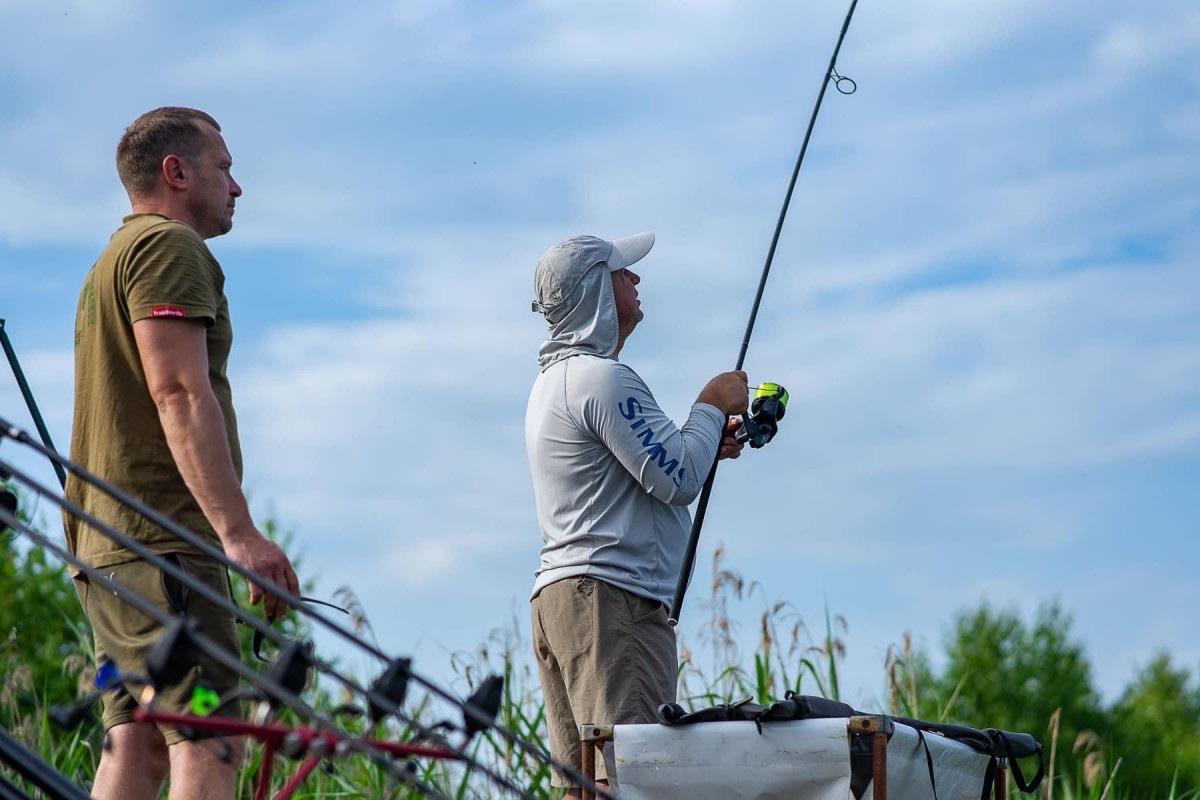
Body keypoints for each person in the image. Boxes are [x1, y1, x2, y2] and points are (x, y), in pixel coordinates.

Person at [65, 107, 298, 800]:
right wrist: (238, 536)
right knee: (211, 738)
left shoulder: (113, 260)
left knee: (135, 740)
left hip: (110, 551)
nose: (237, 185)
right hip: (162, 548)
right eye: (223, 167)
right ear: (177, 172)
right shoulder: (170, 248)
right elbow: (179, 394)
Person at [526, 232, 749, 795]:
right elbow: (676, 478)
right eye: (624, 271)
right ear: (600, 289)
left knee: (582, 788)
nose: (636, 279)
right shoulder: (603, 378)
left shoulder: (552, 385)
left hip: (564, 602)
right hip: (613, 608)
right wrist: (709, 404)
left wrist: (701, 441)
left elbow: (642, 471)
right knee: (632, 781)